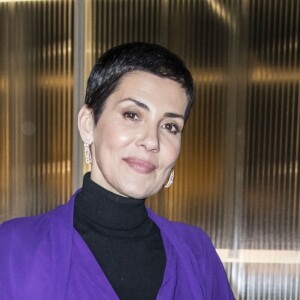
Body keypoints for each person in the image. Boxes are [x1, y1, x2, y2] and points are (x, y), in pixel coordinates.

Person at [0, 42, 235, 299]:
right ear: (88, 124)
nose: (152, 141)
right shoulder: (13, 249)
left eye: (170, 126)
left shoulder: (197, 254)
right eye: (132, 115)